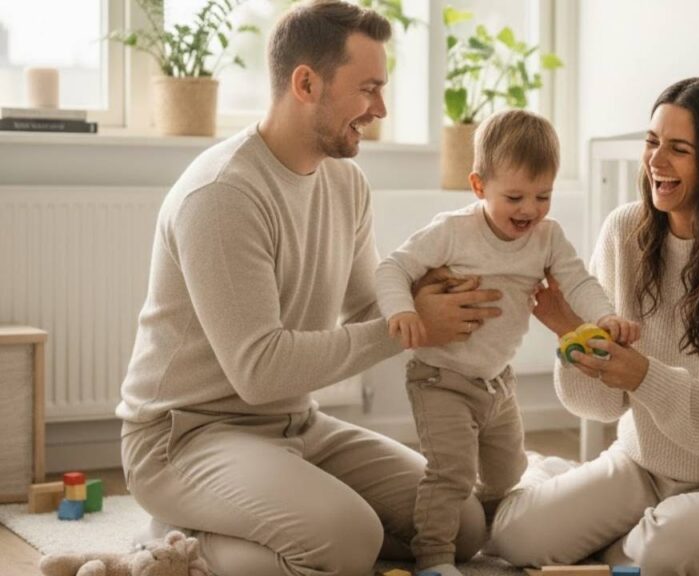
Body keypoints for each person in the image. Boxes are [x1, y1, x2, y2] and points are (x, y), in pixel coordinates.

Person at [115, 2, 503, 576]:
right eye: (368, 89)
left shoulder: (345, 180)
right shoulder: (223, 194)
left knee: (456, 523)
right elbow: (260, 371)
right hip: (185, 437)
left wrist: (431, 296)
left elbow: (367, 303)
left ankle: (241, 529)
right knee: (347, 539)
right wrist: (408, 327)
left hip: (295, 425)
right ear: (305, 83)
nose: (381, 108)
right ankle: (178, 542)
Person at [485, 77, 699, 575]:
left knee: (662, 554)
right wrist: (572, 334)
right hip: (643, 467)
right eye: (652, 142)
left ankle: (642, 545)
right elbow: (598, 404)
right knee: (513, 537)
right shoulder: (624, 232)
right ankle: (627, 540)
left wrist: (642, 376)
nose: (656, 161)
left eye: (679, 149)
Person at [375, 109, 641, 576]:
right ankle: (434, 558)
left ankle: (492, 541)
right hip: (441, 378)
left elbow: (578, 281)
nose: (529, 210)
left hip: (497, 381)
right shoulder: (453, 231)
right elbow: (393, 267)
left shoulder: (547, 236)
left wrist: (605, 315)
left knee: (507, 473)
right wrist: (402, 310)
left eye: (544, 196)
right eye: (514, 196)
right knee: (450, 472)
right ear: (479, 187)